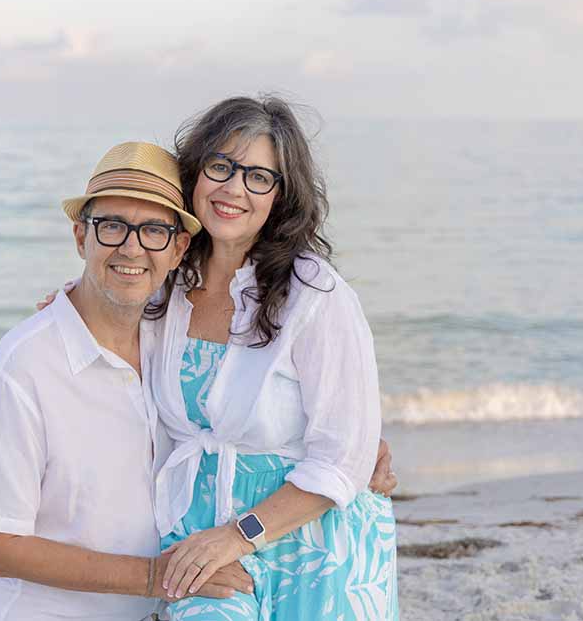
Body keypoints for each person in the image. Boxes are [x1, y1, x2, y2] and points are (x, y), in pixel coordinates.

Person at [0, 142, 257, 621]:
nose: (132, 247)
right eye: (112, 226)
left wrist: (356, 447)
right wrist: (153, 577)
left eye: (155, 230)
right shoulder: (23, 367)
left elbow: (251, 416)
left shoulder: (173, 350)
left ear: (179, 249)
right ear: (81, 237)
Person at [149, 96, 399, 620]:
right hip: (195, 533)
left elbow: (343, 458)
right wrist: (68, 305)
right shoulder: (164, 282)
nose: (234, 188)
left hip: (309, 542)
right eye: (221, 166)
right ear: (195, 174)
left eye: (259, 177)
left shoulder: (316, 295)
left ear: (281, 196)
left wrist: (238, 535)